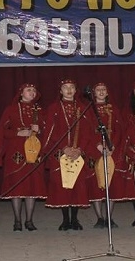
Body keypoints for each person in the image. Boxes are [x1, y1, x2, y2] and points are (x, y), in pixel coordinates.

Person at [0, 84, 47, 232]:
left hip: (34, 153)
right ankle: (17, 220)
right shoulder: (11, 109)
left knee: (32, 187)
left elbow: (48, 131)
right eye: (29, 90)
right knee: (16, 187)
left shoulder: (40, 110)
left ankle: (29, 220)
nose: (32, 92)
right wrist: (17, 133)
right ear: (21, 93)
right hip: (16, 154)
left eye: (34, 90)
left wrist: (40, 130)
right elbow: (2, 131)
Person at [45, 79, 93, 231]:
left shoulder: (83, 108)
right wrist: (64, 148)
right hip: (60, 153)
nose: (69, 90)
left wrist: (79, 149)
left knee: (77, 185)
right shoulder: (53, 108)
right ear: (60, 91)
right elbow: (50, 132)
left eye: (72, 87)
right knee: (63, 185)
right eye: (65, 87)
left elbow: (88, 132)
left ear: (76, 90)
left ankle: (75, 219)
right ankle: (65, 219)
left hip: (78, 153)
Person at [85, 82, 127, 229]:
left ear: (107, 93)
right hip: (95, 149)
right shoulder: (88, 109)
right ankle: (99, 217)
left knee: (112, 183)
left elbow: (119, 129)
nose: (101, 92)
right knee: (96, 183)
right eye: (98, 90)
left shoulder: (114, 109)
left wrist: (111, 145)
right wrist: (98, 145)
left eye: (104, 89)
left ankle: (109, 216)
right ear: (94, 93)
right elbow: (86, 130)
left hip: (111, 149)